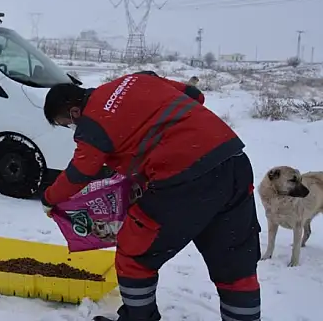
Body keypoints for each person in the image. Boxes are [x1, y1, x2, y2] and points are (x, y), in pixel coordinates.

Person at [41, 71, 261, 321]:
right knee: (235, 266)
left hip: (184, 179)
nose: (72, 129)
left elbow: (80, 173)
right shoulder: (137, 79)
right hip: (232, 162)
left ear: (73, 112)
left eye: (66, 124)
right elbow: (195, 95)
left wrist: (49, 198)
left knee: (133, 254)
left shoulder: (92, 124)